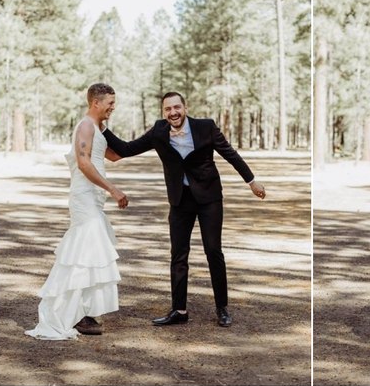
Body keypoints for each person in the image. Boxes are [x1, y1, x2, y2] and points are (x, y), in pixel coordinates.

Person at [102, 92, 265, 328]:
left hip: (209, 198)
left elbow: (230, 154)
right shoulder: (158, 131)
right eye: (167, 109)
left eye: (176, 107)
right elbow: (126, 149)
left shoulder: (205, 127)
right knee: (178, 255)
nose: (173, 113)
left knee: (213, 251)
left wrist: (251, 182)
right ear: (163, 112)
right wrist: (102, 127)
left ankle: (222, 308)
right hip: (180, 201)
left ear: (185, 107)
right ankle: (179, 310)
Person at [25, 83, 128, 340]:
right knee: (82, 252)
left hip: (95, 198)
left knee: (90, 253)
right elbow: (83, 163)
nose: (113, 107)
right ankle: (70, 311)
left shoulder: (96, 128)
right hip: (84, 199)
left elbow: (114, 156)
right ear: (96, 102)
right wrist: (114, 190)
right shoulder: (84, 126)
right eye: (110, 103)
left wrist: (156, 139)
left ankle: (84, 310)